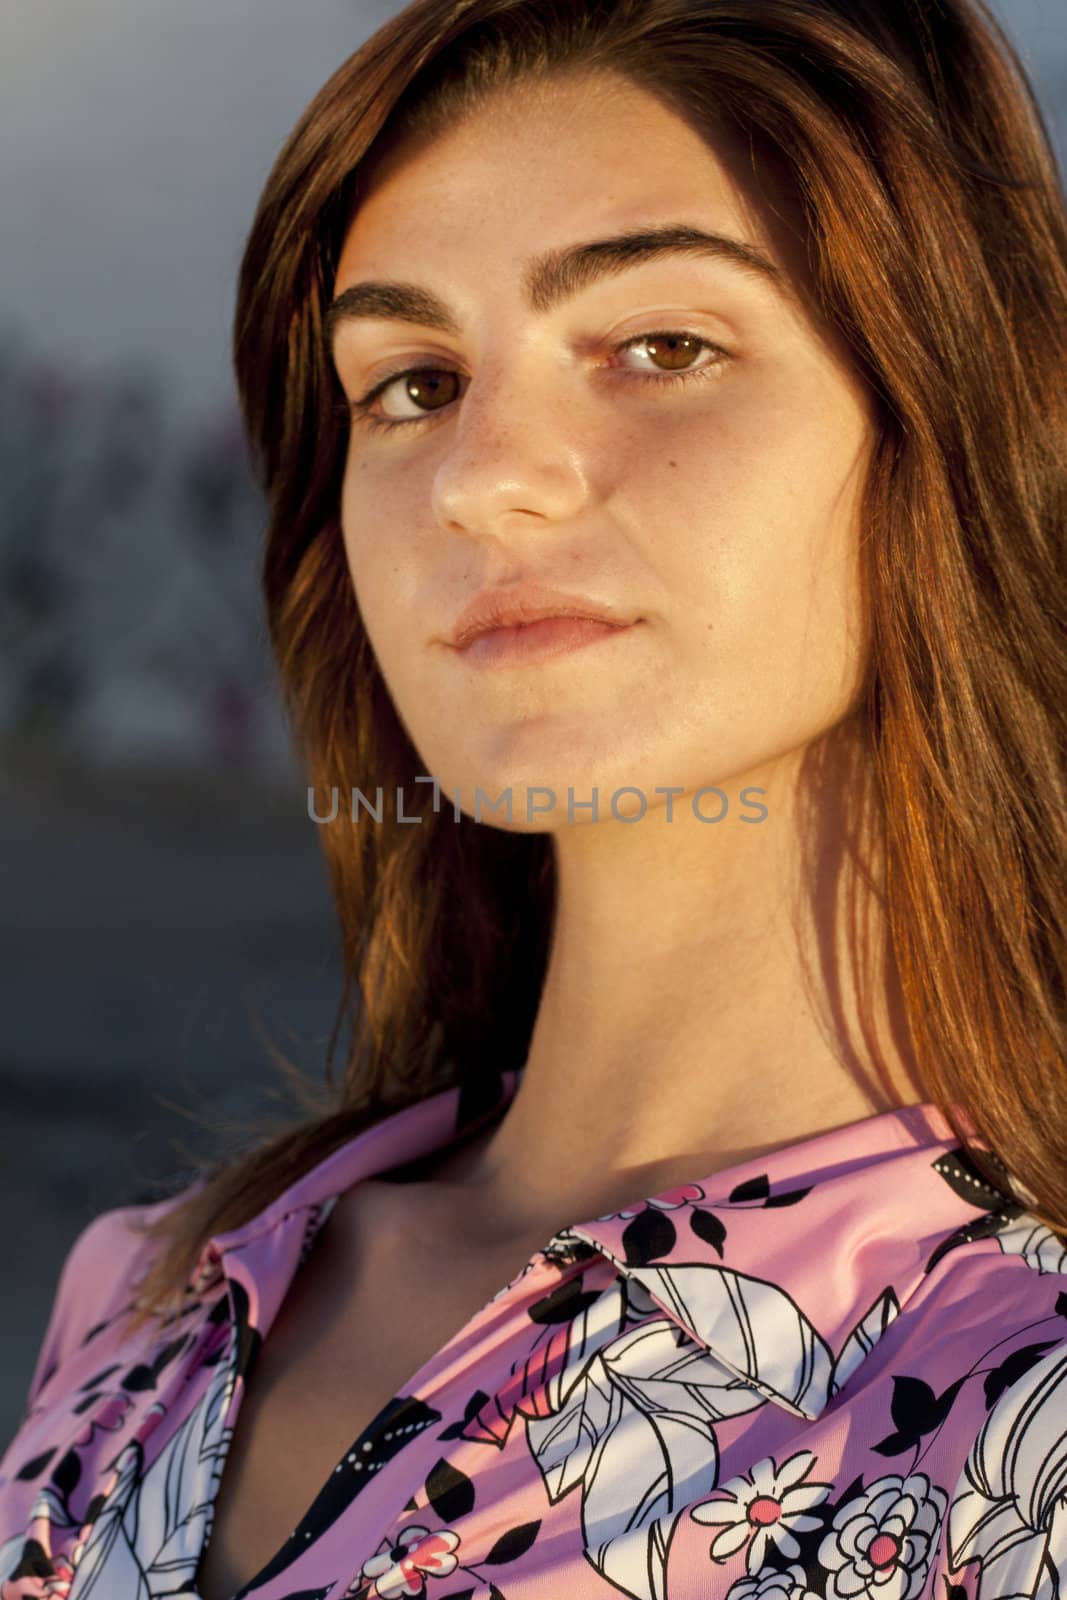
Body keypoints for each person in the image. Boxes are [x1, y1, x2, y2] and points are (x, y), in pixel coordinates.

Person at [3, 0, 1066, 1595]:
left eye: (664, 347)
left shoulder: (1017, 1408)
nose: (482, 475)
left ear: (949, 419)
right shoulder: (150, 1293)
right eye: (414, 382)